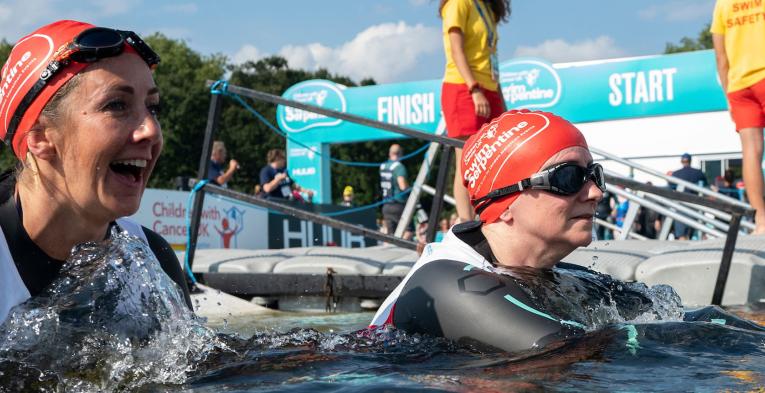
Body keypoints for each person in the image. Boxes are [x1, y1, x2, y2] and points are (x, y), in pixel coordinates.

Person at [0, 20, 191, 324]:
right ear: (39, 137)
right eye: (117, 105)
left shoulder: (153, 256)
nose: (152, 131)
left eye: (153, 108)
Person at [370, 110, 606, 351]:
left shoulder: (559, 277)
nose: (596, 192)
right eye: (568, 177)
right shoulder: (443, 282)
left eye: (594, 175)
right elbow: (564, 353)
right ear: (504, 202)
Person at [440, 0, 509, 223]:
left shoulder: (488, 8)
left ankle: (487, 218)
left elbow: (491, 60)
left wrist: (501, 101)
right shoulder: (459, 4)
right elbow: (456, 49)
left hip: (490, 88)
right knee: (466, 159)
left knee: (492, 158)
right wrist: (474, 88)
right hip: (464, 87)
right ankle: (466, 222)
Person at [711, 0, 765, 234]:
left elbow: (721, 59)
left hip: (739, 86)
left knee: (750, 151)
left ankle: (762, 221)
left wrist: (728, 96)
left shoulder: (723, 4)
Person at [670, 153, 709, 240]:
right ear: (690, 161)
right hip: (695, 205)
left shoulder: (676, 174)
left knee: (681, 235)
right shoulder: (698, 173)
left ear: (681, 161)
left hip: (680, 206)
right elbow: (706, 185)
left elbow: (670, 187)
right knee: (695, 234)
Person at [379, 144, 413, 239]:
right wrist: (411, 190)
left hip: (385, 205)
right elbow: (402, 185)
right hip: (398, 205)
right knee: (408, 231)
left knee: (390, 235)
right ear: (400, 154)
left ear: (389, 153)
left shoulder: (383, 166)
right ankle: (403, 251)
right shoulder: (399, 167)